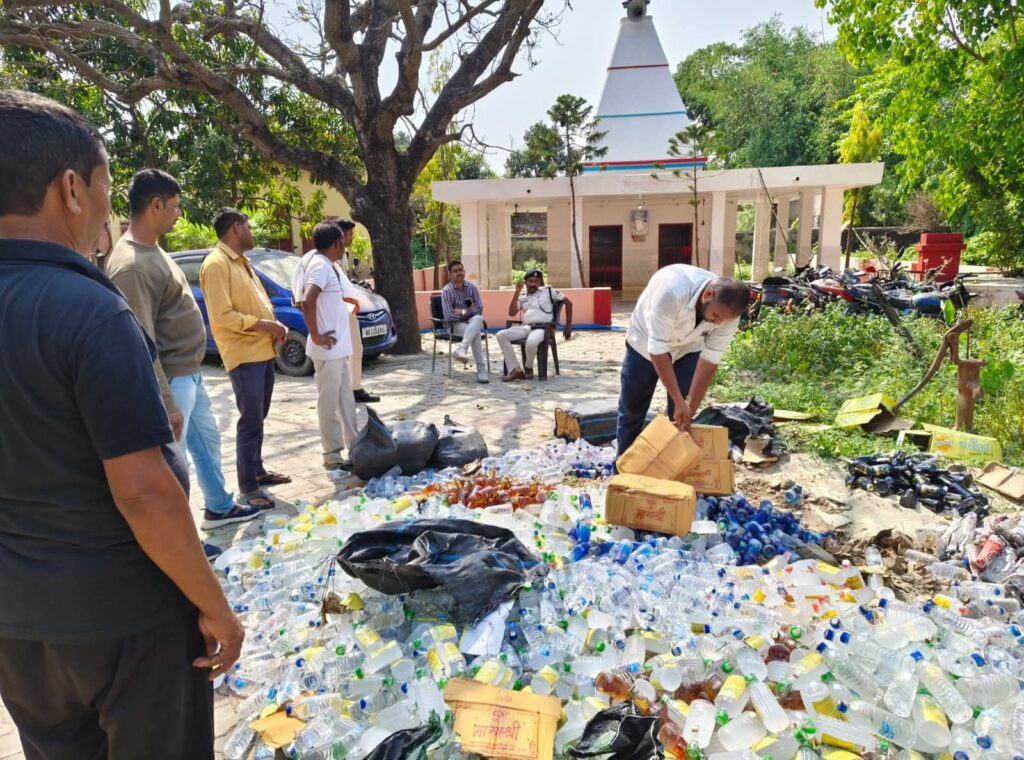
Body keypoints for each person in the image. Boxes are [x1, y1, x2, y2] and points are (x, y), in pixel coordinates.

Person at [0, 89, 241, 759]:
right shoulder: (90, 310)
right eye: (107, 183)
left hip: (18, 623)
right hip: (123, 621)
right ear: (71, 188)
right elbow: (142, 492)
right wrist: (214, 605)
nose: (108, 203)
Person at [106, 169, 259, 528]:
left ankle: (219, 507)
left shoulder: (152, 250)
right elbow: (139, 341)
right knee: (173, 465)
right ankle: (180, 541)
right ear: (155, 205)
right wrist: (167, 401)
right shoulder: (130, 265)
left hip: (190, 374)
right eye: (174, 207)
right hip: (171, 380)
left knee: (205, 442)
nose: (178, 214)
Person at [200, 207, 290, 510]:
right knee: (249, 421)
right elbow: (223, 316)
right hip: (243, 354)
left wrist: (274, 324)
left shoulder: (242, 262)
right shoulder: (216, 264)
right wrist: (267, 325)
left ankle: (257, 470)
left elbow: (257, 303)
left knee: (258, 417)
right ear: (236, 228)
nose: (252, 232)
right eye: (249, 227)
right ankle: (247, 487)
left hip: (262, 351)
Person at [616, 264, 750, 456]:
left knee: (680, 415)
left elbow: (709, 362)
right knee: (632, 408)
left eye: (724, 320)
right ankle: (623, 467)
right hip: (645, 344)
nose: (718, 323)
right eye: (716, 316)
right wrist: (679, 400)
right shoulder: (671, 291)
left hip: (689, 347)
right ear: (708, 295)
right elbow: (658, 351)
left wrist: (688, 410)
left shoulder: (728, 315)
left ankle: (671, 465)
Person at [293, 221, 361, 470]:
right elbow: (308, 299)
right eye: (343, 242)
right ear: (336, 243)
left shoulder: (328, 265)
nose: (345, 247)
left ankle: (355, 446)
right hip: (327, 349)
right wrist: (317, 334)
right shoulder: (320, 266)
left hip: (338, 349)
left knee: (346, 401)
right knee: (329, 403)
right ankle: (332, 455)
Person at [332, 217, 380, 403]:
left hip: (348, 308)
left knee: (356, 349)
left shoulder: (343, 255)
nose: (352, 237)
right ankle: (349, 389)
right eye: (350, 234)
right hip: (340, 309)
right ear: (341, 235)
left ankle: (355, 387)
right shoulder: (329, 259)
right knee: (346, 351)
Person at [498, 268, 573, 382]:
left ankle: (528, 368)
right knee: (501, 335)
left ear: (540, 282)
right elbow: (512, 312)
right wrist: (516, 292)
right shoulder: (522, 296)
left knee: (531, 342)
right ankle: (516, 370)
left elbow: (568, 303)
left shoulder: (548, 291)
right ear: (526, 282)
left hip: (543, 328)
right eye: (530, 281)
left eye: (536, 281)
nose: (533, 284)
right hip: (526, 327)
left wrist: (568, 326)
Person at [441, 260, 489, 383]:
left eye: (460, 270)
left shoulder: (471, 287)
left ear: (464, 271)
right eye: (455, 271)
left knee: (478, 319)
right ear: (450, 275)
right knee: (476, 332)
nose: (459, 273)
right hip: (454, 326)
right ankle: (481, 369)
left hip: (471, 321)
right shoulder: (447, 291)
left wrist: (462, 312)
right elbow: (449, 315)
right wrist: (467, 312)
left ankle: (462, 348)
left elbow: (480, 308)